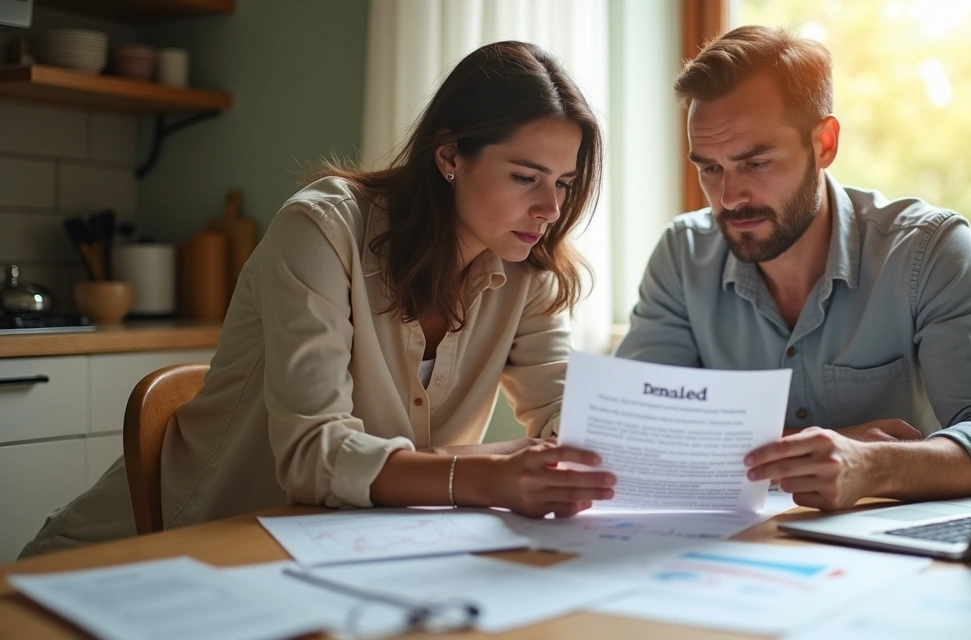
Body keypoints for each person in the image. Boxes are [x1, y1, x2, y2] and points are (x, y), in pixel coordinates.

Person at [22, 41, 617, 558]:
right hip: (154, 555)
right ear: (449, 156)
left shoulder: (528, 268)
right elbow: (314, 454)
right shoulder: (323, 229)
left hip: (332, 556)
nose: (550, 209)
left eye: (563, 183)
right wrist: (485, 475)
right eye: (525, 177)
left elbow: (573, 415)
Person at [615, 26, 971, 511]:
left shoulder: (929, 252)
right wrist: (817, 444)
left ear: (824, 144)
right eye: (710, 168)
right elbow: (637, 427)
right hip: (739, 552)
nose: (728, 198)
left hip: (893, 552)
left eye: (757, 163)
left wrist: (871, 465)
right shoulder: (682, 255)